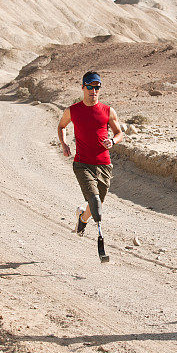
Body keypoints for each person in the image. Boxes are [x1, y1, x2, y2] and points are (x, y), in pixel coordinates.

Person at [57, 71, 124, 259]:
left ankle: (82, 218)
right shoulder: (73, 110)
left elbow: (119, 133)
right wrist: (64, 143)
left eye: (97, 87)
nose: (94, 91)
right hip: (82, 164)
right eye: (90, 87)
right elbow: (61, 126)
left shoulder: (108, 111)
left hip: (104, 165)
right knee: (95, 202)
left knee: (96, 204)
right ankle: (100, 238)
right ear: (83, 87)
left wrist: (113, 141)